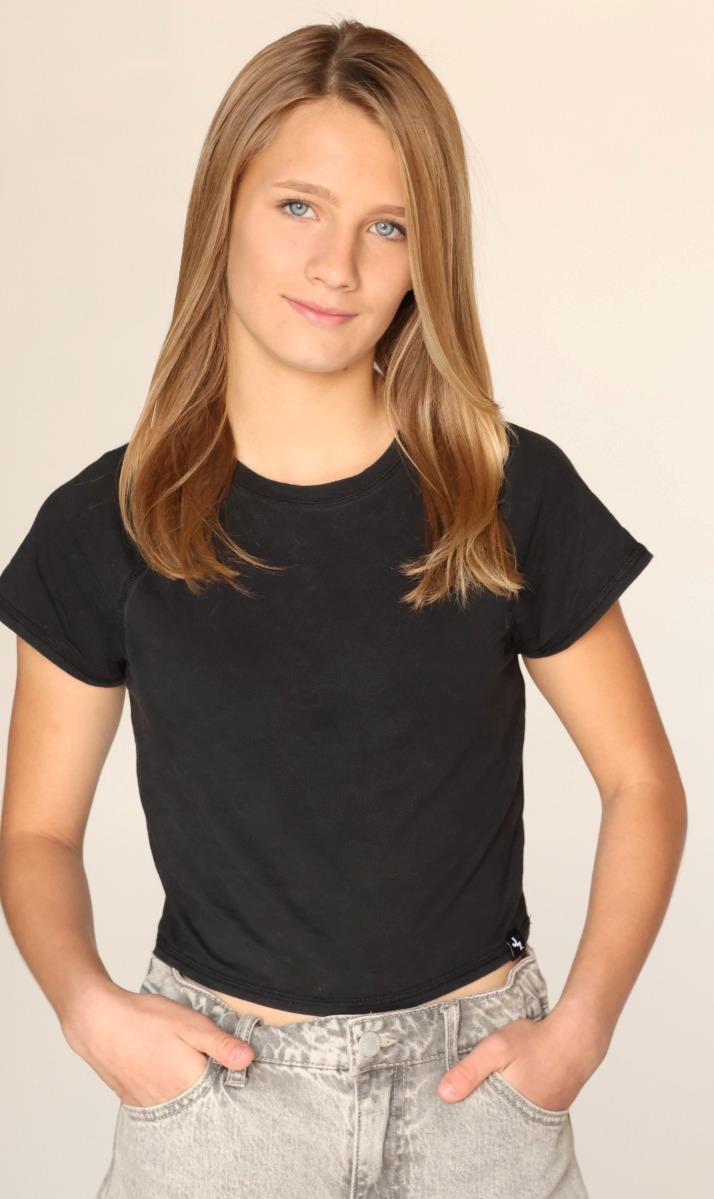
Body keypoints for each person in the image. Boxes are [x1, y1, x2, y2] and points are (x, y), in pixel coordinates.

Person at [0, 19, 686, 1199]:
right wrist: (87, 1005)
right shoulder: (105, 521)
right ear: (223, 206)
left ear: (430, 254)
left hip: (476, 1102)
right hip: (219, 1110)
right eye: (298, 207)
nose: (338, 266)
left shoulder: (503, 491)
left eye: (390, 226)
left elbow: (643, 782)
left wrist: (579, 1029)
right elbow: (35, 836)